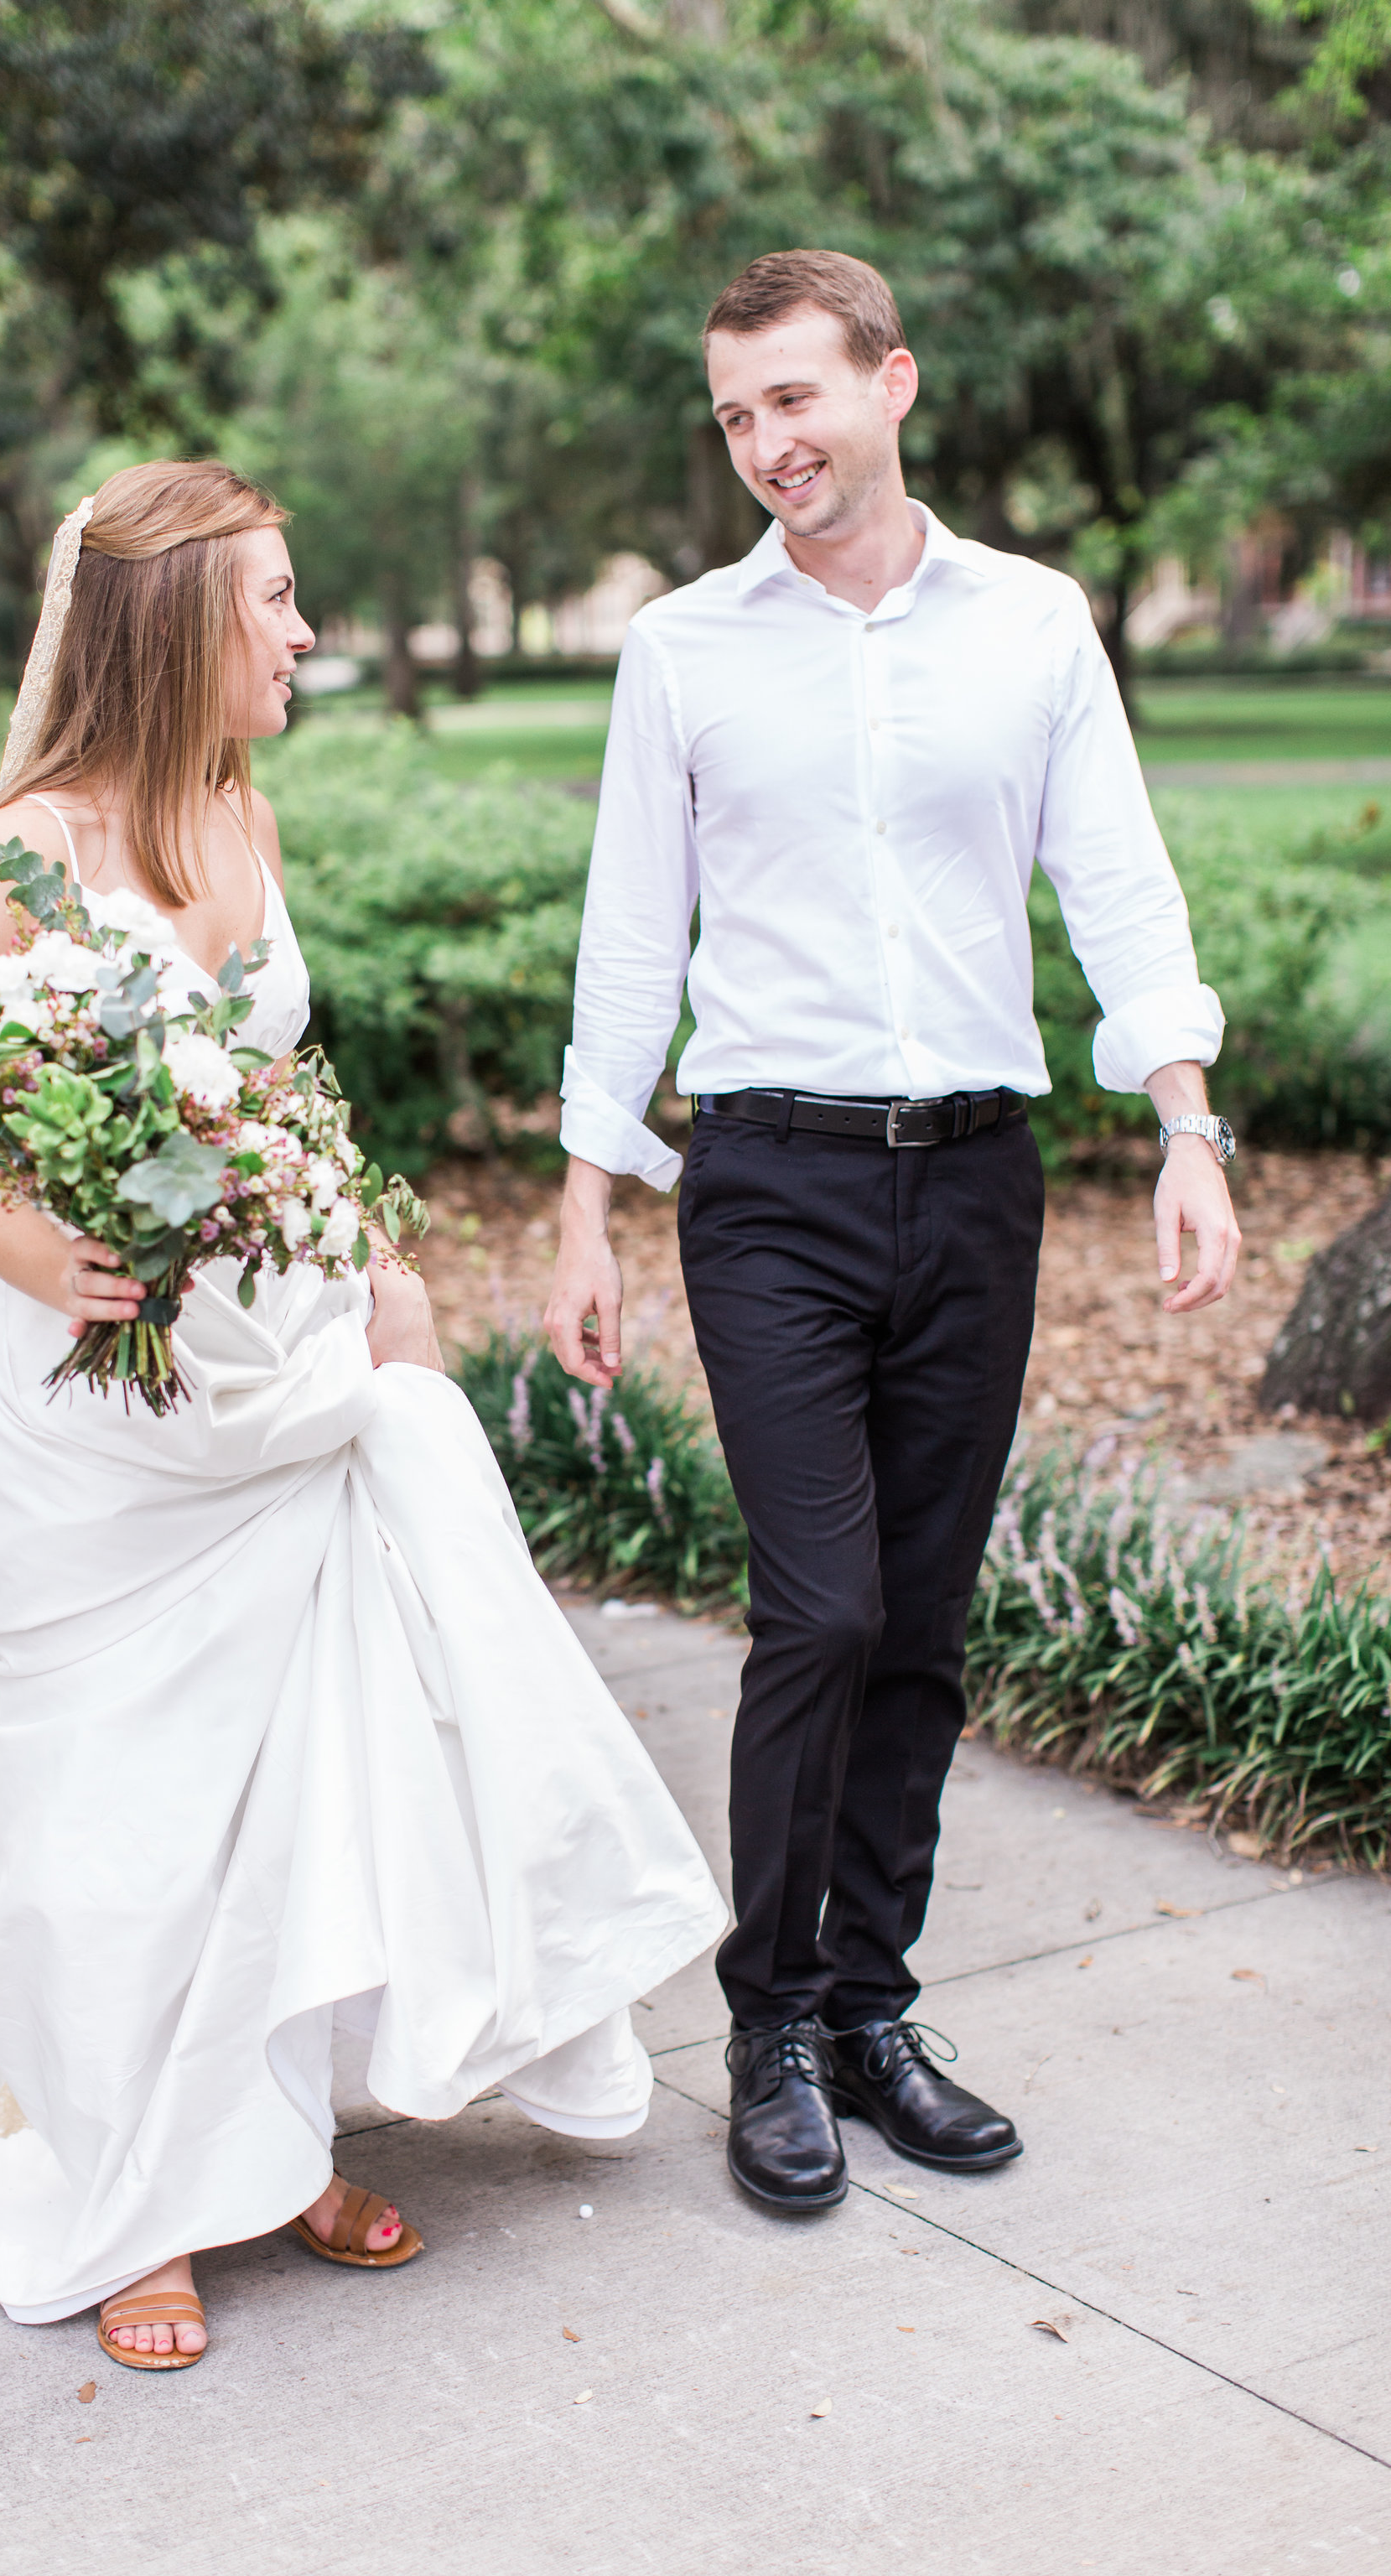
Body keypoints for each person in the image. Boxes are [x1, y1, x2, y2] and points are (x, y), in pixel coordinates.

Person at [0, 460, 725, 2366]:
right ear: (173, 620)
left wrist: (378, 1259)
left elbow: (288, 1097)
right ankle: (132, 2190)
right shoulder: (13, 849)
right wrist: (78, 1274)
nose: (303, 633)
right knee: (120, 1810)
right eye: (275, 600)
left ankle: (269, 2146)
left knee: (298, 1782)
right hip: (97, 1412)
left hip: (284, 1370)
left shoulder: (239, 811)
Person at [544, 250, 1240, 2215]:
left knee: (921, 1627)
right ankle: (767, 2021)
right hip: (766, 1181)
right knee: (822, 1610)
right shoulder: (683, 647)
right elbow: (630, 936)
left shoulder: (1031, 624)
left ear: (892, 382)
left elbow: (1119, 880)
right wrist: (589, 1202)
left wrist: (1182, 1124)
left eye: (795, 399)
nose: (767, 443)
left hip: (978, 1175)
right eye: (737, 415)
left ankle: (869, 2010)